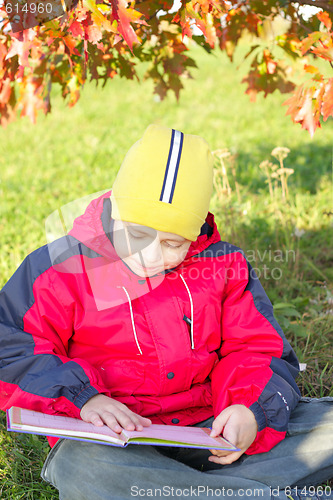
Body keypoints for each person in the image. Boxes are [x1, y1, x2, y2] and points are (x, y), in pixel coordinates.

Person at [0, 124, 332, 500]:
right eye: (137, 234)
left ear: (195, 233)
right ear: (116, 212)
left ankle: (195, 491)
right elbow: (11, 346)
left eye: (173, 243)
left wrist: (249, 412)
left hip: (211, 429)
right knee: (80, 466)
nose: (151, 255)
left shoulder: (223, 265)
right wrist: (83, 398)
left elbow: (257, 349)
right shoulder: (63, 266)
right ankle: (239, 491)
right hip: (116, 438)